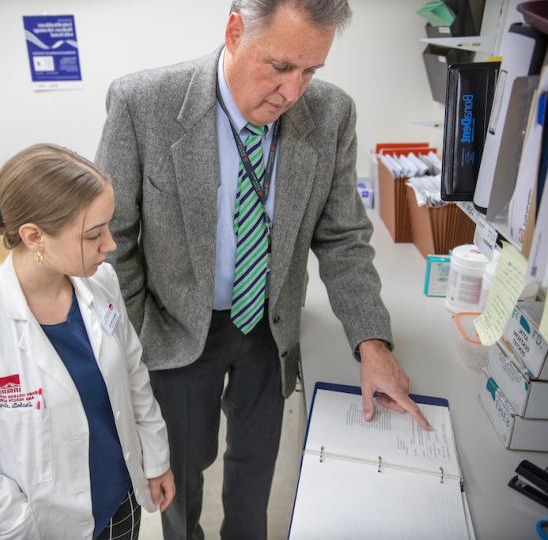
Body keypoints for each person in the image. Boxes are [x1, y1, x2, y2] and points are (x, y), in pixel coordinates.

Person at [95, 1, 433, 539]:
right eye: (279, 67)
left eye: (311, 71)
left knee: (255, 474)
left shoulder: (332, 113)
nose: (293, 93)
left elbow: (343, 237)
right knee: (180, 476)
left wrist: (373, 343)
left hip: (268, 330)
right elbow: (113, 240)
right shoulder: (144, 104)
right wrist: (140, 336)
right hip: (177, 328)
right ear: (234, 32)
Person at [0, 143, 175, 540]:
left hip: (121, 502)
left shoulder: (101, 284)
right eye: (94, 234)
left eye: (108, 227)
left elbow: (133, 377)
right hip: (42, 527)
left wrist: (155, 459)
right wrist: (8, 515)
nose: (111, 244)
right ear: (34, 236)